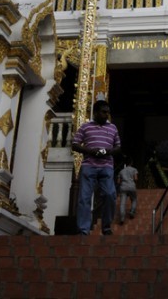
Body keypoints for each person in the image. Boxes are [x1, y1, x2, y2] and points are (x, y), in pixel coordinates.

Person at [71, 100, 121, 235]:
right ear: (96, 112)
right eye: (103, 112)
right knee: (84, 198)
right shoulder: (85, 127)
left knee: (110, 195)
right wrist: (91, 151)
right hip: (89, 166)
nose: (106, 115)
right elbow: (75, 144)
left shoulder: (113, 128)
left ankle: (106, 227)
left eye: (108, 112)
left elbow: (118, 147)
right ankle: (83, 230)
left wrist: (107, 151)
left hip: (107, 166)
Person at [116, 157, 139, 224]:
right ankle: (132, 212)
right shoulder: (134, 169)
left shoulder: (121, 171)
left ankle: (122, 218)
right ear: (131, 163)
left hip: (123, 187)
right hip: (131, 186)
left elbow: (118, 182)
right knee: (134, 199)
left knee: (122, 203)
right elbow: (136, 179)